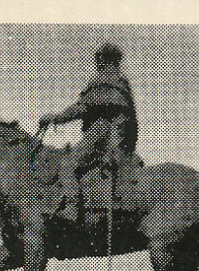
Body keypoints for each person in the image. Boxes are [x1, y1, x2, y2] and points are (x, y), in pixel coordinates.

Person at [37, 42, 138, 222]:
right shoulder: (121, 80)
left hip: (101, 132)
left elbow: (82, 108)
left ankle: (72, 206)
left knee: (67, 164)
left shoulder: (103, 79)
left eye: (98, 58)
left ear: (102, 59)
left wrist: (55, 117)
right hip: (117, 137)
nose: (96, 62)